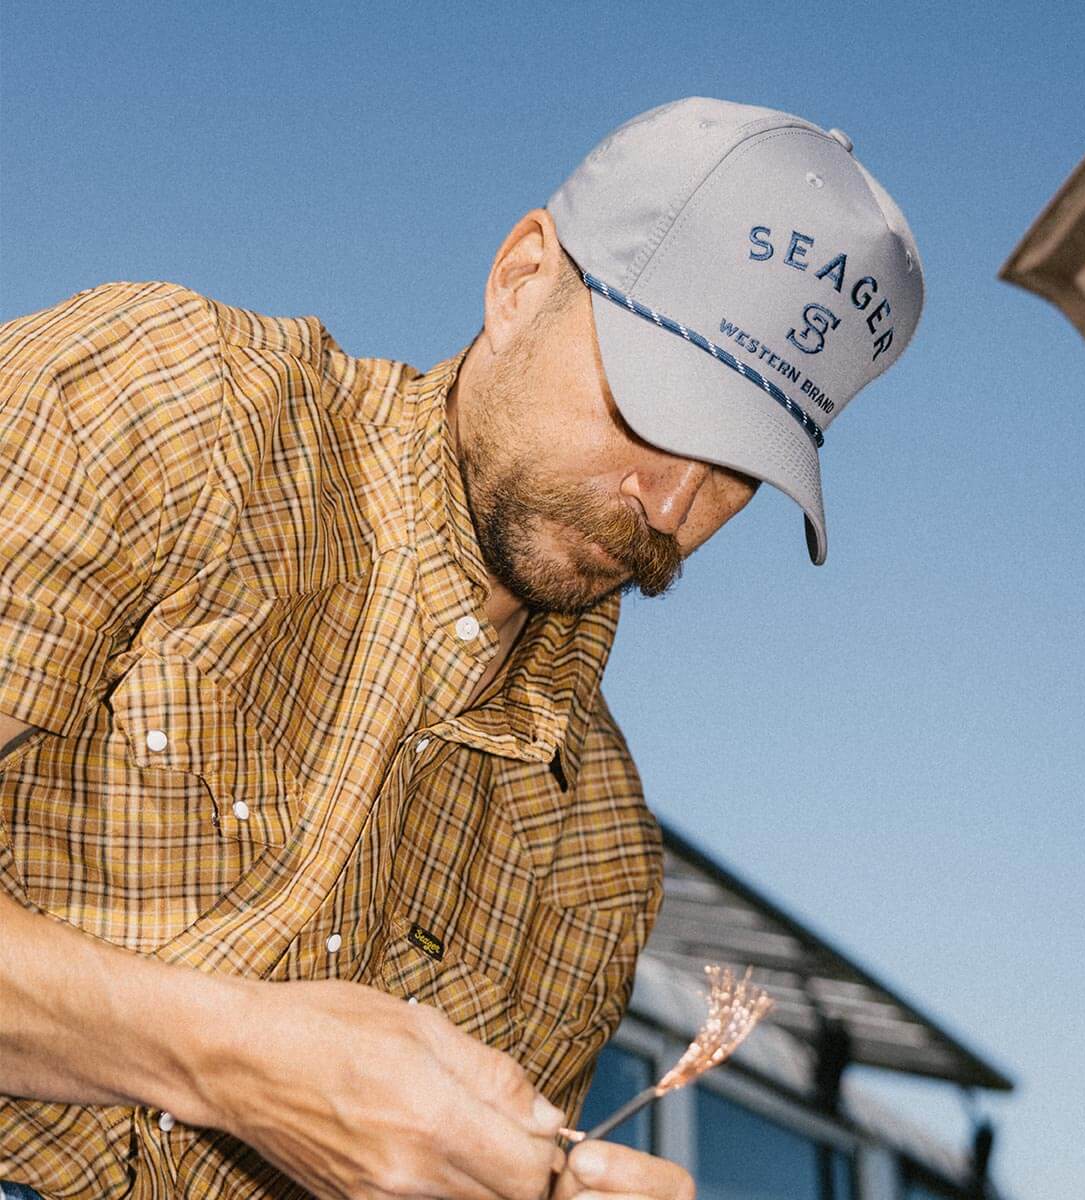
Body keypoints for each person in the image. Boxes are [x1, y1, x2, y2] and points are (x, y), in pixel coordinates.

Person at [0, 97, 923, 1199]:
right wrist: (229, 1058)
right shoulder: (168, 409)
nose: (671, 504)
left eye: (738, 465)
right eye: (661, 404)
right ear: (522, 277)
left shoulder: (603, 861)